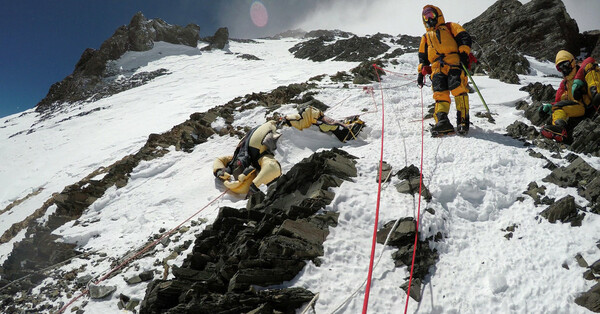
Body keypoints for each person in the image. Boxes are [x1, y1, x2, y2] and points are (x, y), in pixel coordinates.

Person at [417, 4, 473, 136]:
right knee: (439, 93)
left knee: (458, 88)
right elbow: (422, 57)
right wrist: (421, 72)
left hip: (453, 62)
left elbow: (464, 37)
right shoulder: (425, 37)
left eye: (431, 15)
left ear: (438, 15)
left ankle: (462, 122)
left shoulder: (450, 27)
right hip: (436, 68)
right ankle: (442, 122)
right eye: (426, 17)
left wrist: (464, 53)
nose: (429, 19)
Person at [540, 50, 600, 142]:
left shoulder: (583, 69)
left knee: (590, 69)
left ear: (572, 62)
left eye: (566, 64)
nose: (564, 69)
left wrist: (579, 78)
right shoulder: (565, 84)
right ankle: (559, 130)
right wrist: (551, 106)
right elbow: (559, 102)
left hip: (591, 102)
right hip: (581, 108)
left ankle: (598, 95)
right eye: (560, 67)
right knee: (557, 108)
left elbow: (590, 60)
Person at [213, 120, 282, 199]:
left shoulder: (238, 158)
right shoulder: (239, 158)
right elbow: (272, 166)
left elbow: (272, 166)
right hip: (259, 133)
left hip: (259, 135)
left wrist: (254, 185)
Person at [280, 104, 365, 143]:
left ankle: (345, 128)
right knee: (330, 125)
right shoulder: (292, 121)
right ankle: (346, 129)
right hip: (314, 116)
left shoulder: (291, 120)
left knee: (330, 124)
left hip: (314, 116)